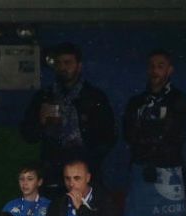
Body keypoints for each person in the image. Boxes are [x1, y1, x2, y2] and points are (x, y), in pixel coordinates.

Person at [122, 49, 186, 216]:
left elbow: (176, 135)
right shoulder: (137, 102)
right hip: (143, 170)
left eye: (160, 66)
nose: (155, 70)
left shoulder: (180, 99)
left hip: (170, 170)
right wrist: (153, 137)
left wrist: (152, 138)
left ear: (170, 70)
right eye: (152, 66)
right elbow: (129, 134)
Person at [20, 43, 116, 191]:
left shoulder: (94, 97)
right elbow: (28, 135)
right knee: (54, 211)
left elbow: (109, 135)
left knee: (85, 211)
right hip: (53, 166)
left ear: (79, 66)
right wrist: (40, 122)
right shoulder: (44, 97)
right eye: (58, 63)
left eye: (68, 63)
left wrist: (91, 159)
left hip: (85, 164)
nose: (63, 68)